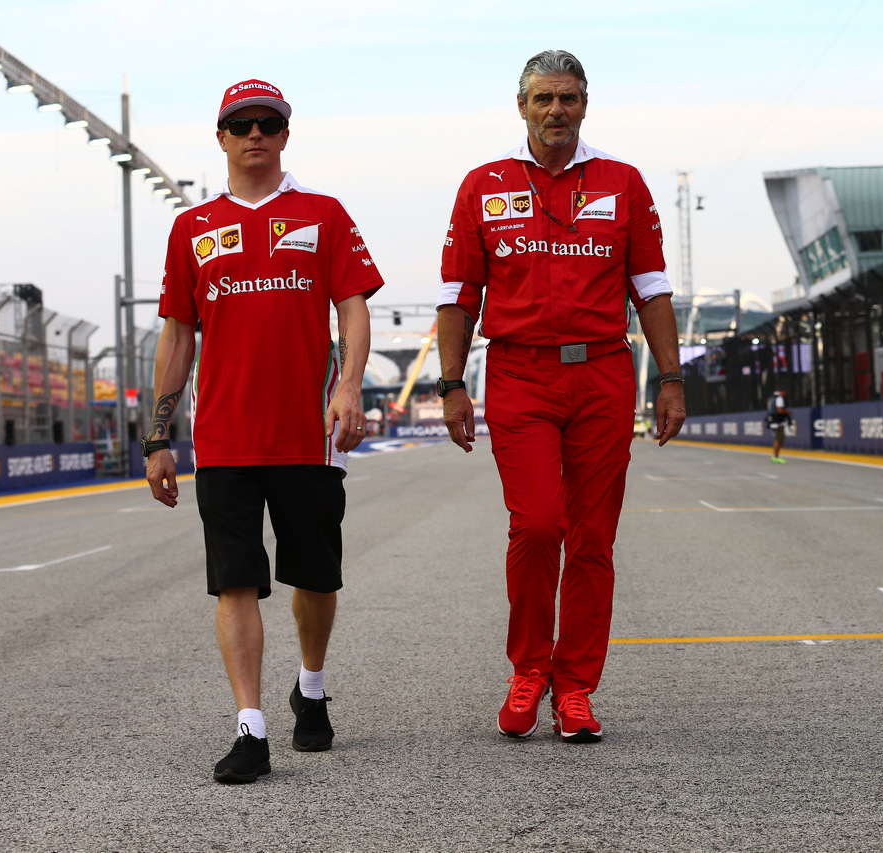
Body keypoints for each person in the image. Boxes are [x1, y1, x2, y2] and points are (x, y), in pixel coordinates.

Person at [436, 50, 685, 743]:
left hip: (604, 373)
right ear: (521, 107)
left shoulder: (623, 183)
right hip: (519, 374)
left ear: (585, 104)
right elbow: (458, 295)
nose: (556, 111)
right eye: (543, 98)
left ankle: (575, 687)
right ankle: (528, 669)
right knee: (540, 523)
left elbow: (653, 291)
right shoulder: (483, 185)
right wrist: (452, 385)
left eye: (568, 98)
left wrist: (671, 378)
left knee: (594, 537)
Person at [145, 79, 383, 783]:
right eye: (240, 123)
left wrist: (347, 385)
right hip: (223, 440)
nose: (255, 134)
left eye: (268, 123)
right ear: (220, 137)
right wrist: (160, 435)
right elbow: (177, 337)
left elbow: (354, 309)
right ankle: (250, 727)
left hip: (309, 436)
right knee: (235, 582)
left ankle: (310, 686)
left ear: (285, 134)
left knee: (315, 577)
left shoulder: (325, 214)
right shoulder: (191, 229)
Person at [765, 389, 793, 463]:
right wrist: (787, 412)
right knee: (779, 439)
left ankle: (776, 456)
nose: (785, 395)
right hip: (778, 422)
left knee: (779, 439)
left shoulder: (771, 397)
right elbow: (780, 410)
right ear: (782, 391)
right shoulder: (779, 398)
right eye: (785, 393)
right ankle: (776, 457)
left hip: (773, 420)